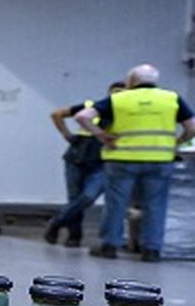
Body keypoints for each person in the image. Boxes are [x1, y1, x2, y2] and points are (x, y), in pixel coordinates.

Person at [77, 63, 195, 261]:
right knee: (156, 205)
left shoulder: (118, 99)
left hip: (122, 160)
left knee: (117, 204)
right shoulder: (171, 98)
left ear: (131, 81)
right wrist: (178, 141)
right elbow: (192, 127)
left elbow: (82, 116)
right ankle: (151, 250)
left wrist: (101, 135)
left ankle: (109, 246)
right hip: (159, 160)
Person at [44, 81, 124, 246]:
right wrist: (67, 135)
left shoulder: (127, 116)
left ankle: (57, 221)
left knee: (88, 197)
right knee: (74, 197)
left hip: (102, 162)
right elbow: (57, 115)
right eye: (114, 92)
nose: (117, 96)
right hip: (76, 158)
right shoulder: (91, 107)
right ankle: (74, 236)